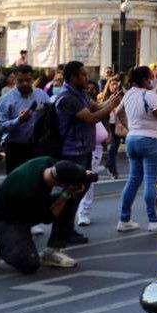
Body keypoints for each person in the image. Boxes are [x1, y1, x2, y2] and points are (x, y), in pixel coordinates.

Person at [0, 158, 97, 273]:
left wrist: (84, 175)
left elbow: (67, 169)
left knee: (69, 198)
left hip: (23, 208)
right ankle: (1, 245)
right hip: (6, 218)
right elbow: (48, 217)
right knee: (30, 263)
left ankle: (52, 251)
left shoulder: (48, 163)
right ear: (59, 182)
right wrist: (66, 194)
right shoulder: (31, 190)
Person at [53, 61, 121, 241]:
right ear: (74, 77)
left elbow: (95, 106)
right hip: (72, 151)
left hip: (84, 149)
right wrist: (112, 105)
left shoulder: (80, 93)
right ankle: (62, 231)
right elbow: (90, 118)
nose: (87, 77)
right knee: (71, 192)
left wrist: (112, 100)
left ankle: (67, 229)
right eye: (83, 74)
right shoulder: (67, 97)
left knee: (79, 190)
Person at [117, 64, 157, 231]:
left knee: (133, 180)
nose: (154, 79)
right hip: (153, 139)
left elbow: (117, 112)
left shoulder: (128, 94)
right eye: (152, 76)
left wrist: (131, 127)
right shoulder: (149, 95)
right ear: (145, 80)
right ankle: (153, 221)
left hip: (133, 139)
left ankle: (124, 219)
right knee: (151, 180)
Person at [0, 65, 52, 174]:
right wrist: (18, 120)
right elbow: (0, 126)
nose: (25, 83)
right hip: (15, 149)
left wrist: (46, 110)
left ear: (33, 79)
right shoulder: (6, 98)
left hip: (37, 148)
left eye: (28, 80)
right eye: (20, 81)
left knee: (38, 182)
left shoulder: (41, 94)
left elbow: (50, 117)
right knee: (17, 184)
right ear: (15, 79)